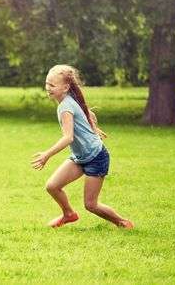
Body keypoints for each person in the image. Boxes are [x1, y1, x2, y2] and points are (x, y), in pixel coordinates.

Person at [32, 64, 133, 229]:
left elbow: (68, 137)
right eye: (47, 84)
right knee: (52, 186)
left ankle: (122, 222)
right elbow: (88, 112)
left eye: (52, 85)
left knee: (91, 205)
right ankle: (69, 214)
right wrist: (92, 127)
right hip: (80, 157)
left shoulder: (65, 106)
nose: (48, 88)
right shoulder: (70, 99)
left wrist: (47, 154)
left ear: (65, 87)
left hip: (96, 157)